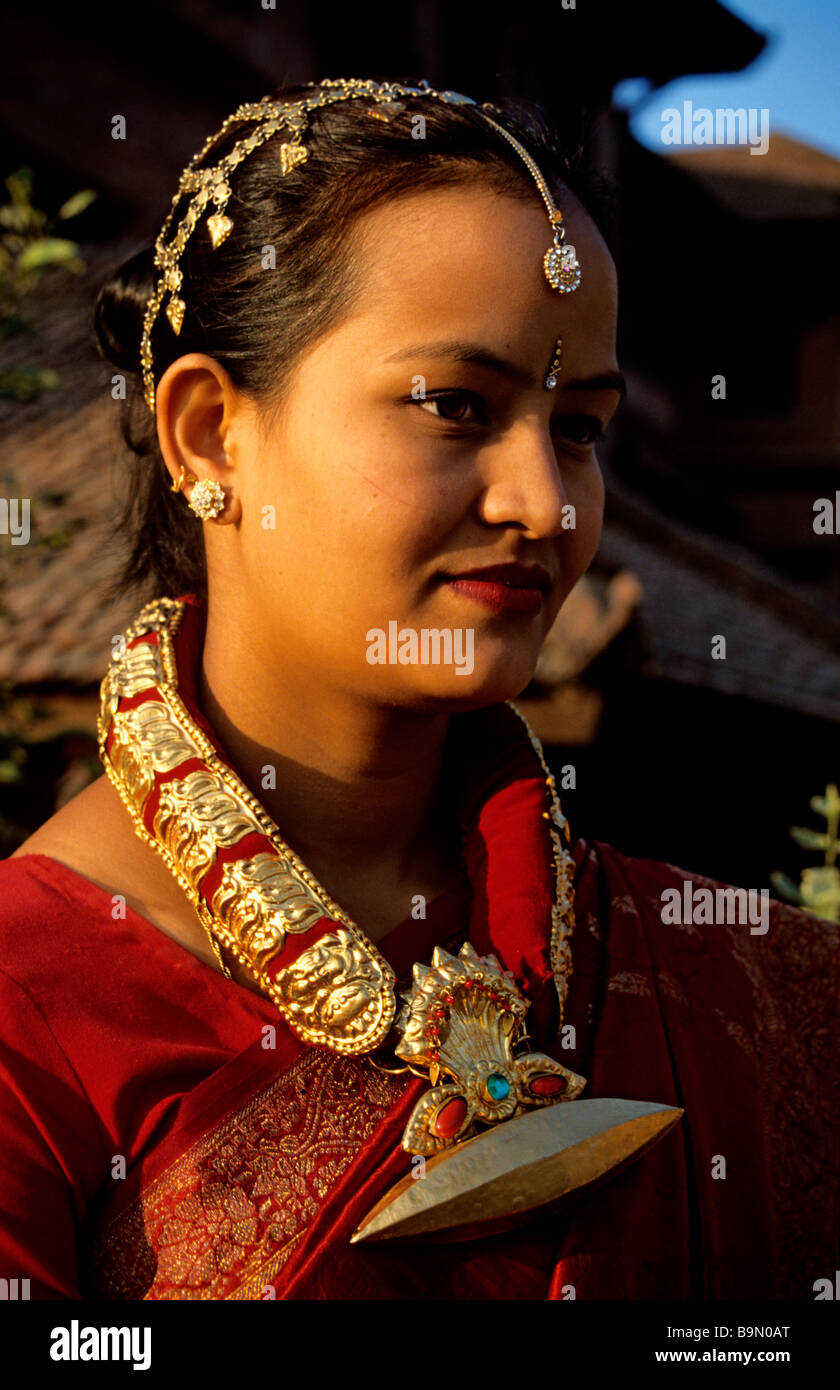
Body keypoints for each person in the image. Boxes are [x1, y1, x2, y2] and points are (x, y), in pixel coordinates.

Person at [0, 77, 835, 1302]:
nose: (545, 504)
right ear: (207, 435)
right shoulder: (32, 1003)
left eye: (583, 428)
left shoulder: (758, 990)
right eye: (456, 405)